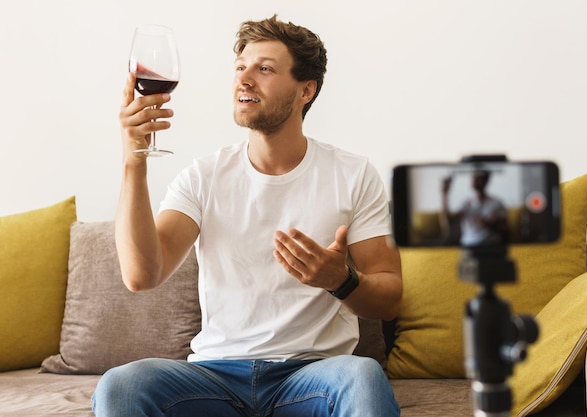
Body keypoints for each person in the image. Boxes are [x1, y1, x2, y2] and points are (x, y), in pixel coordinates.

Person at [92, 15, 402, 417]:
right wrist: (134, 159)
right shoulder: (204, 176)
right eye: (241, 67)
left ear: (306, 90)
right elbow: (141, 275)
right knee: (123, 384)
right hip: (214, 376)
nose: (244, 79)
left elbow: (390, 298)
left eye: (265, 69)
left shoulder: (353, 174)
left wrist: (340, 281)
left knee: (362, 376)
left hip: (312, 376)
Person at [440, 170, 509, 246]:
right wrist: (444, 195)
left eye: (478, 177)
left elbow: (505, 231)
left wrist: (490, 225)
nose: (474, 179)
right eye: (473, 176)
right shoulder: (466, 203)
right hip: (470, 246)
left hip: (491, 246)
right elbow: (448, 224)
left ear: (486, 180)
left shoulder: (497, 203)